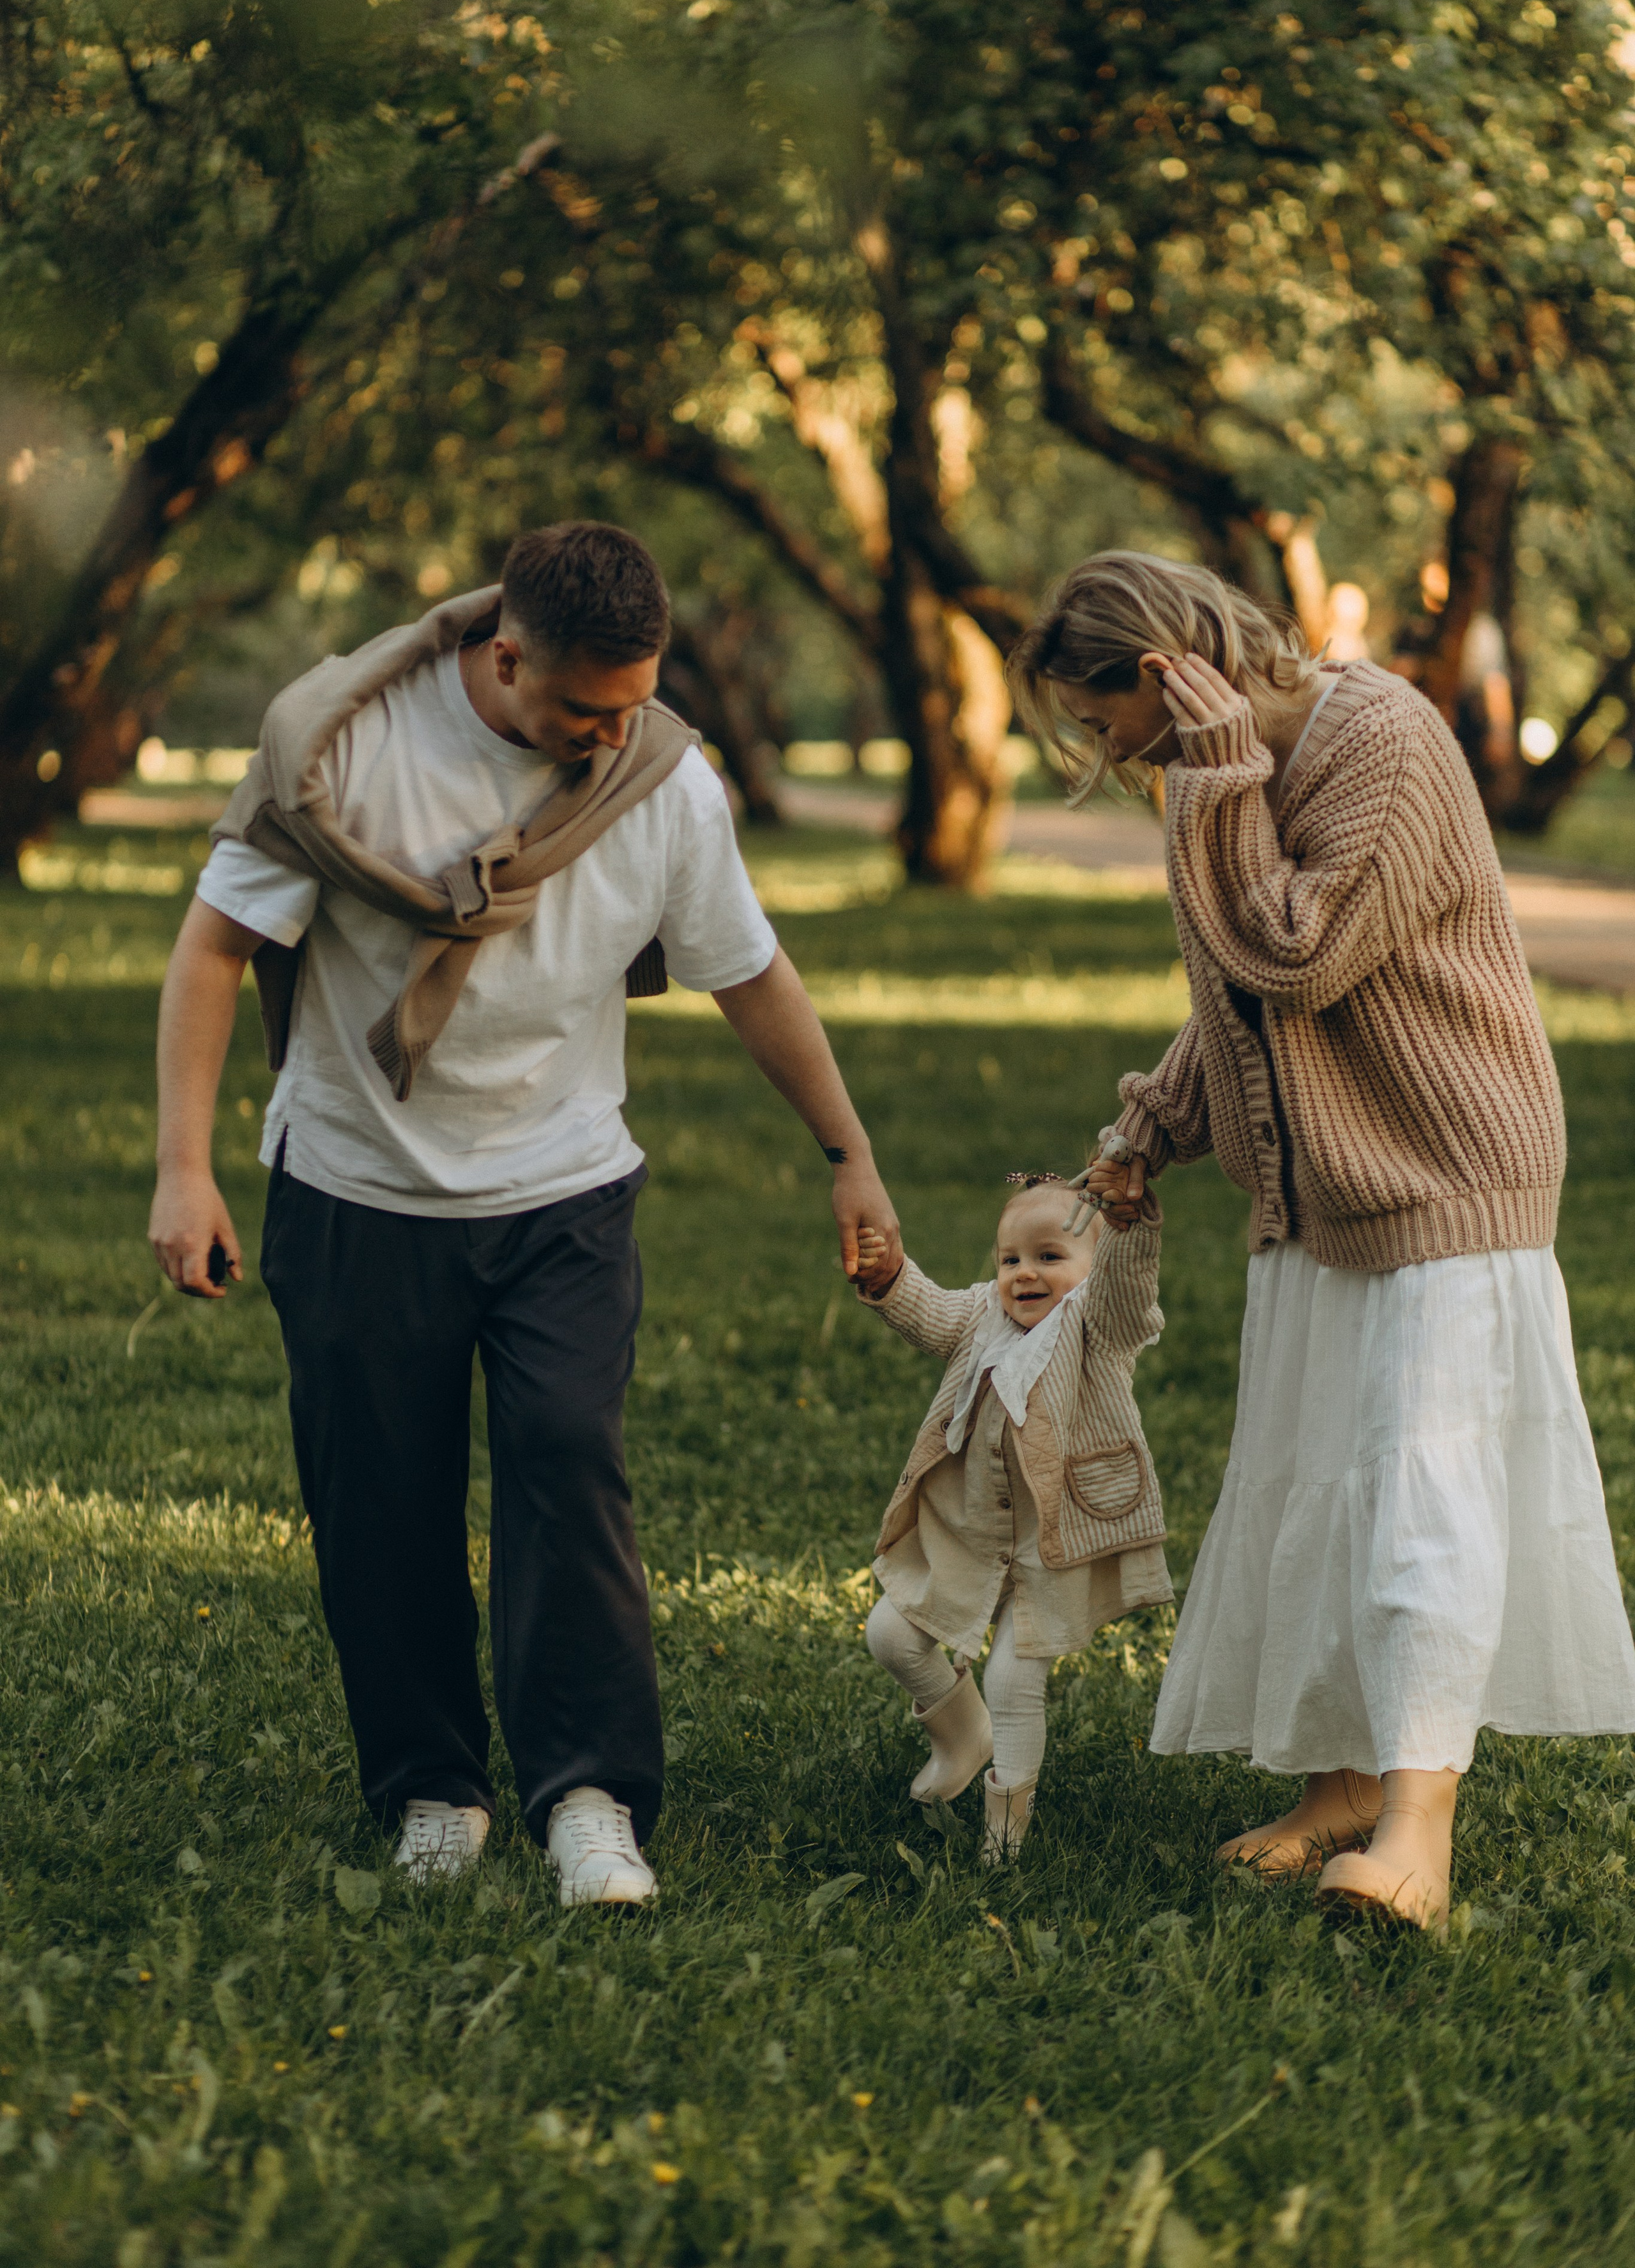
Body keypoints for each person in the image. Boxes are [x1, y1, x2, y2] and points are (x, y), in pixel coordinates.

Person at [147, 522, 901, 1907]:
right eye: (583, 710)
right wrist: (182, 1167)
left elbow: (752, 974)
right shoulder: (340, 754)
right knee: (382, 1502)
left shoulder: (665, 782)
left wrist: (846, 1153)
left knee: (569, 1468)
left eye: (635, 705)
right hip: (355, 1187)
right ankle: (432, 1789)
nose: (614, 736)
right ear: (504, 659)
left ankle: (590, 1796)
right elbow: (213, 948)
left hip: (562, 1188)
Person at [1010, 549, 1635, 1935]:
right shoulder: (1234, 772)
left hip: (1436, 1170)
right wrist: (1149, 1126)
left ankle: (1418, 1831)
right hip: (1321, 1187)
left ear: (1169, 667)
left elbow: (1294, 955)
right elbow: (1241, 995)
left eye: (1109, 721)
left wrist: (1218, 779)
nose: (1106, 753)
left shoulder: (1381, 746)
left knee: (1416, 1494)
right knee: (1321, 1484)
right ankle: (1347, 1784)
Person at [849, 1174, 1171, 1862]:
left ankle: (1006, 1829)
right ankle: (964, 1735)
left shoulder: (1099, 1326)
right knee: (890, 1635)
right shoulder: (980, 1318)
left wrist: (1131, 1231)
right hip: (967, 1536)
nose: (1026, 1273)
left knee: (1012, 1680)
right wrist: (888, 1277)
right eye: (1010, 1260)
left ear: (1090, 1266)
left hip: (1054, 1547)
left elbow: (1127, 1294)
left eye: (1050, 1257)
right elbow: (927, 1311)